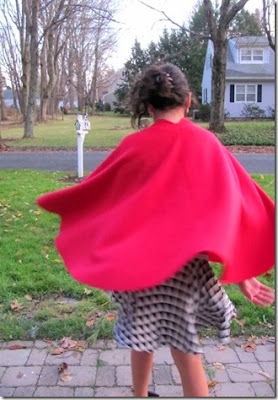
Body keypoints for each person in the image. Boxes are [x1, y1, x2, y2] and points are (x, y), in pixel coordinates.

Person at [37, 63, 274, 397]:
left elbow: (101, 194)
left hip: (139, 269)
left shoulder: (133, 146)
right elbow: (232, 209)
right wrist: (243, 272)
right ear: (189, 101)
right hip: (185, 272)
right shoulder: (207, 145)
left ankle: (140, 394)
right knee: (185, 350)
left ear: (148, 105)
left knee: (142, 336)